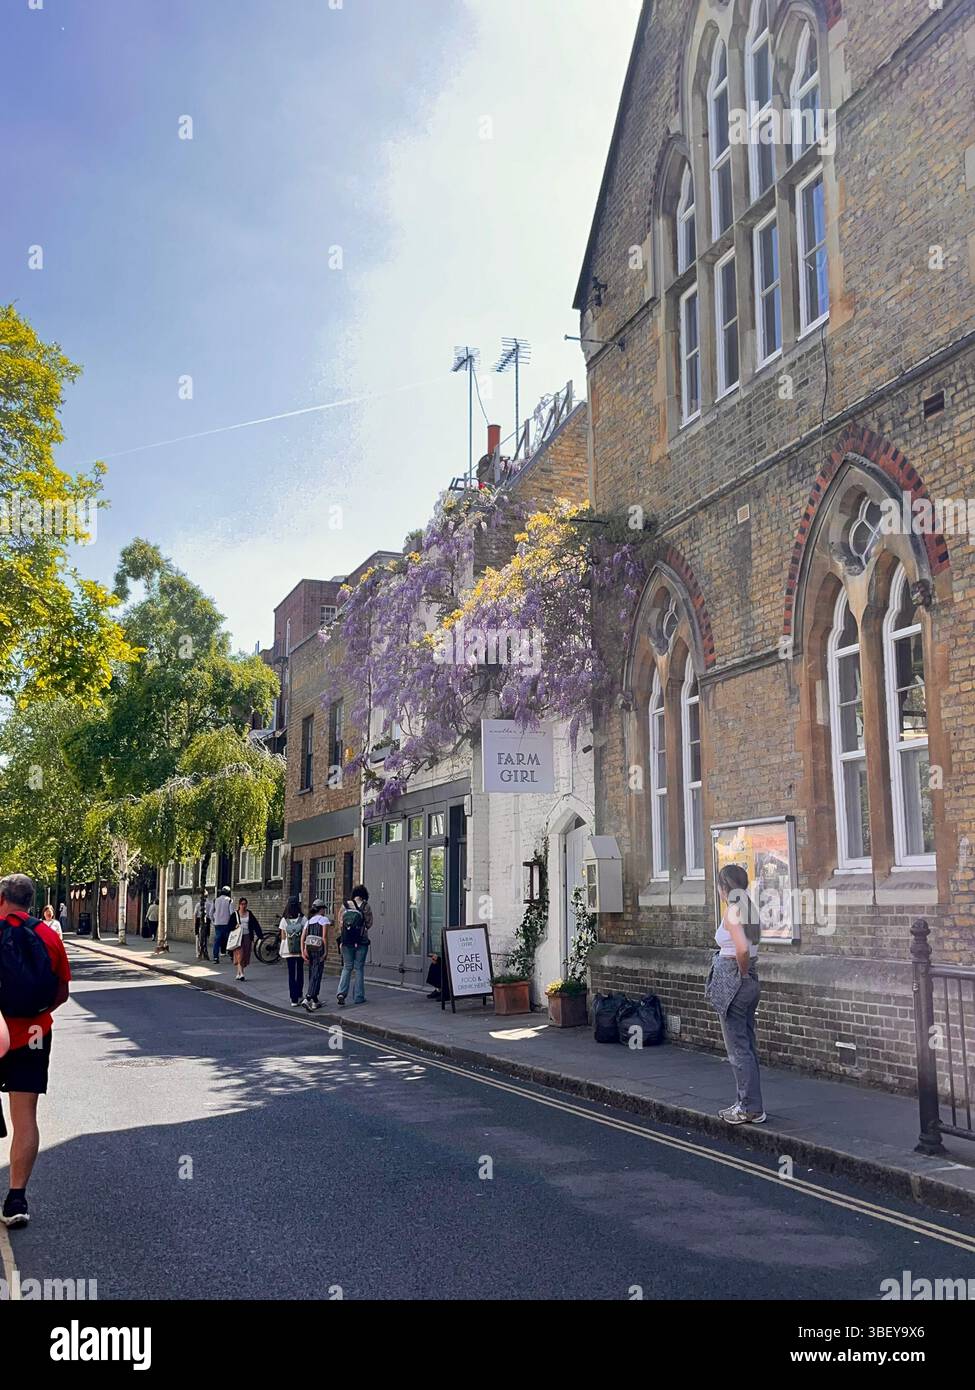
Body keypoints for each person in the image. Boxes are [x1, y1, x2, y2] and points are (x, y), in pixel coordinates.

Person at [0, 873, 71, 1229]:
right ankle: (16, 1199)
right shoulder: (48, 935)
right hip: (33, 1033)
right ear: (30, 901)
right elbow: (61, 992)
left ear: (1, 899)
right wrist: (37, 1016)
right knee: (25, 1114)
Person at [706, 863, 765, 1125]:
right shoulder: (750, 909)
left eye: (720, 886)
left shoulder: (732, 912)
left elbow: (741, 950)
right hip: (750, 980)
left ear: (725, 888)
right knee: (747, 1045)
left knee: (738, 1048)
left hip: (736, 982)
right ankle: (749, 1102)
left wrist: (739, 975)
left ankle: (749, 1108)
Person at [336, 884, 371, 1007]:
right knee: (359, 968)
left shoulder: (345, 906)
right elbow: (369, 924)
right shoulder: (366, 906)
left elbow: (340, 924)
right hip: (361, 941)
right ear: (364, 895)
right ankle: (359, 997)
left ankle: (341, 993)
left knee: (347, 967)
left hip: (346, 941)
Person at [302, 898, 331, 1010]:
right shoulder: (324, 920)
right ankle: (308, 997)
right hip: (319, 949)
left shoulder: (309, 921)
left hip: (309, 948)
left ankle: (315, 1000)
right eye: (324, 908)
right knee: (317, 973)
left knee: (312, 973)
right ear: (321, 909)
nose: (325, 911)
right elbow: (324, 937)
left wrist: (304, 949)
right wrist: (326, 951)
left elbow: (304, 936)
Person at [279, 896, 307, 1007]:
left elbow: (283, 937)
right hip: (299, 950)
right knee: (300, 972)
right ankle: (300, 994)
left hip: (289, 951)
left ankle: (293, 999)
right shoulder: (303, 919)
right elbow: (305, 935)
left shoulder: (284, 920)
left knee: (291, 974)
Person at [227, 897, 262, 982]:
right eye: (242, 904)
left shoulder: (249, 913)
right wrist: (234, 926)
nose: (244, 906)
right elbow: (229, 926)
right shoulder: (235, 914)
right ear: (239, 905)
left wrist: (260, 935)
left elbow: (255, 924)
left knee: (245, 955)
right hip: (238, 938)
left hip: (247, 936)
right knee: (240, 955)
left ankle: (238, 973)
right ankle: (242, 973)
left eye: (245, 904)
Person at [211, 886, 233, 963]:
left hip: (217, 923)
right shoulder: (229, 900)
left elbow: (211, 912)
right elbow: (231, 913)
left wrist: (213, 920)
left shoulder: (215, 900)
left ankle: (215, 958)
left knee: (217, 941)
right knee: (229, 940)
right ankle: (231, 956)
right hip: (226, 923)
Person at [194, 889, 212, 960]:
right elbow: (211, 914)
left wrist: (195, 923)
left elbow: (195, 914)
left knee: (198, 937)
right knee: (206, 937)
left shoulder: (198, 904)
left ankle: (198, 952)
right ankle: (205, 949)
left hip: (199, 920)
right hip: (207, 921)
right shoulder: (210, 904)